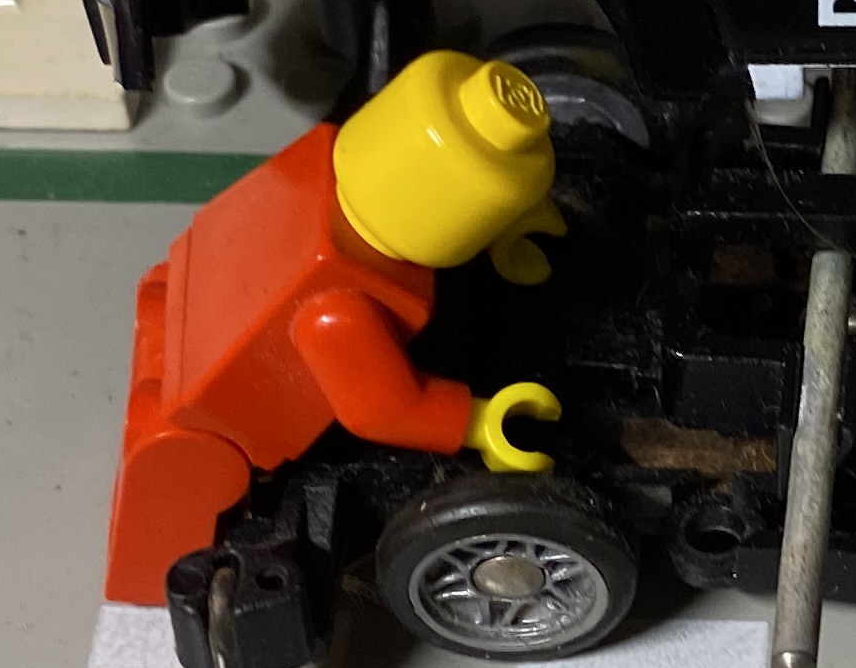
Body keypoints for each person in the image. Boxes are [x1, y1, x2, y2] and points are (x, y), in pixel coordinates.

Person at [102, 49, 566, 606]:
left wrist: (503, 223)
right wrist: (479, 422)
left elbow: (423, 196)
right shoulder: (339, 310)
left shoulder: (319, 158)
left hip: (186, 298)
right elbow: (383, 410)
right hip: (224, 423)